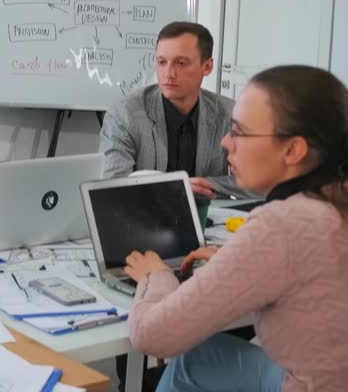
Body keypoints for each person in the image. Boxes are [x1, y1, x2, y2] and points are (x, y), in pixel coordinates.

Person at [124, 65, 348, 391]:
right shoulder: (333, 201)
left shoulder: (281, 226)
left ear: (293, 150)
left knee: (187, 359)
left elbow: (152, 337)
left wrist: (155, 276)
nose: (227, 143)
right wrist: (237, 263)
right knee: (198, 359)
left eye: (241, 132)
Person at [99, 21, 254, 200]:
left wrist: (208, 185)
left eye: (181, 63)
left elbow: (260, 182)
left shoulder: (230, 114)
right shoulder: (124, 115)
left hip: (209, 222)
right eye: (162, 62)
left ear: (208, 67)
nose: (169, 73)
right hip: (146, 221)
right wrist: (178, 188)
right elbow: (110, 187)